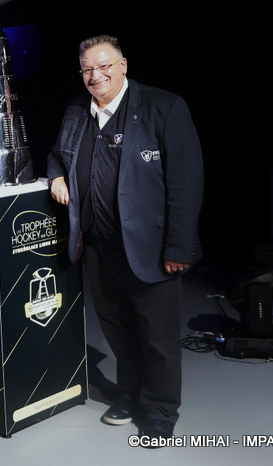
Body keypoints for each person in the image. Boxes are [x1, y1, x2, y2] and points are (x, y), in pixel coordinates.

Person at [47, 35, 203, 445]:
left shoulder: (163, 107)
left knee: (158, 336)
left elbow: (186, 184)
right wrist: (56, 175)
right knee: (117, 329)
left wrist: (178, 247)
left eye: (103, 67)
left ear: (123, 65)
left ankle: (160, 410)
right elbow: (56, 154)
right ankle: (130, 396)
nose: (95, 76)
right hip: (98, 246)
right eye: (86, 69)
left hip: (150, 247)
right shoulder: (77, 111)